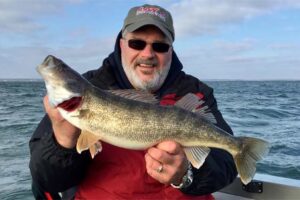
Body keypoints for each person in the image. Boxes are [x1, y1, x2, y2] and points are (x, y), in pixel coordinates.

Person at [30, 4, 237, 200]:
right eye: (137, 43)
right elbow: (47, 182)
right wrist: (63, 142)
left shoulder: (195, 92)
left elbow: (227, 164)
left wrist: (186, 175)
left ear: (171, 51)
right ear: (122, 44)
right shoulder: (89, 89)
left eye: (160, 46)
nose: (148, 54)